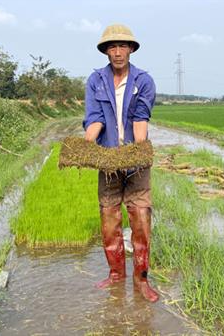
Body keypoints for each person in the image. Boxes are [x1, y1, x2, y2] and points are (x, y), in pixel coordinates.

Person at [82, 24, 159, 303]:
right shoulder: (96, 81)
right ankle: (116, 275)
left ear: (131, 49)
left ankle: (141, 280)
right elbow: (95, 119)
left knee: (140, 219)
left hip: (135, 162)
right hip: (108, 161)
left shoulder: (143, 81)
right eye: (112, 47)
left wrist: (138, 153)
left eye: (122, 46)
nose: (117, 52)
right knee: (109, 218)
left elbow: (141, 119)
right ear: (106, 51)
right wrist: (85, 145)